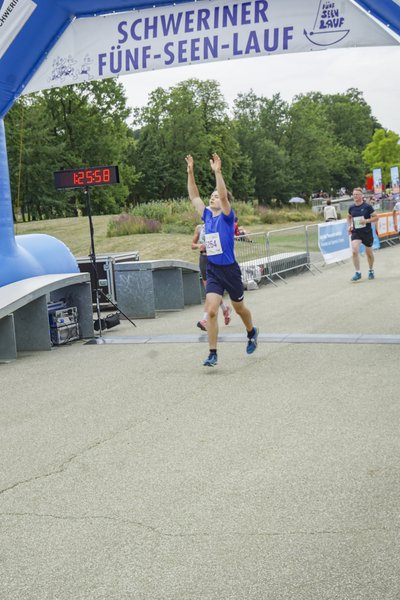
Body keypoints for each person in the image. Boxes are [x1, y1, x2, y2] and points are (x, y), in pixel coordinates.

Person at [185, 152, 258, 367]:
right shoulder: (207, 215)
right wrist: (190, 173)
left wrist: (218, 172)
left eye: (216, 196)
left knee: (239, 308)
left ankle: (251, 332)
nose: (212, 198)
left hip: (230, 270)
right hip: (214, 269)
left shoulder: (227, 217)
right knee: (211, 311)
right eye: (212, 196)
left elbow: (224, 197)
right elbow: (194, 197)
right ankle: (213, 353)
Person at [192, 222, 232, 331]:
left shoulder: (217, 226)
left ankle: (205, 320)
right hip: (203, 259)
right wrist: (199, 245)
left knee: (211, 292)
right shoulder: (199, 228)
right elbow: (192, 245)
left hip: (215, 259)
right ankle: (225, 309)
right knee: (209, 291)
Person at [347, 187, 379, 282]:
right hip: (356, 232)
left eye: (357, 194)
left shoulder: (367, 206)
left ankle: (371, 270)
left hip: (366, 233)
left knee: (369, 253)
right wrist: (350, 226)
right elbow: (349, 217)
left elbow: (376, 217)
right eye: (354, 194)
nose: (355, 196)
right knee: (354, 250)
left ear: (361, 195)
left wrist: (366, 221)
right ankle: (358, 272)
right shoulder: (351, 207)